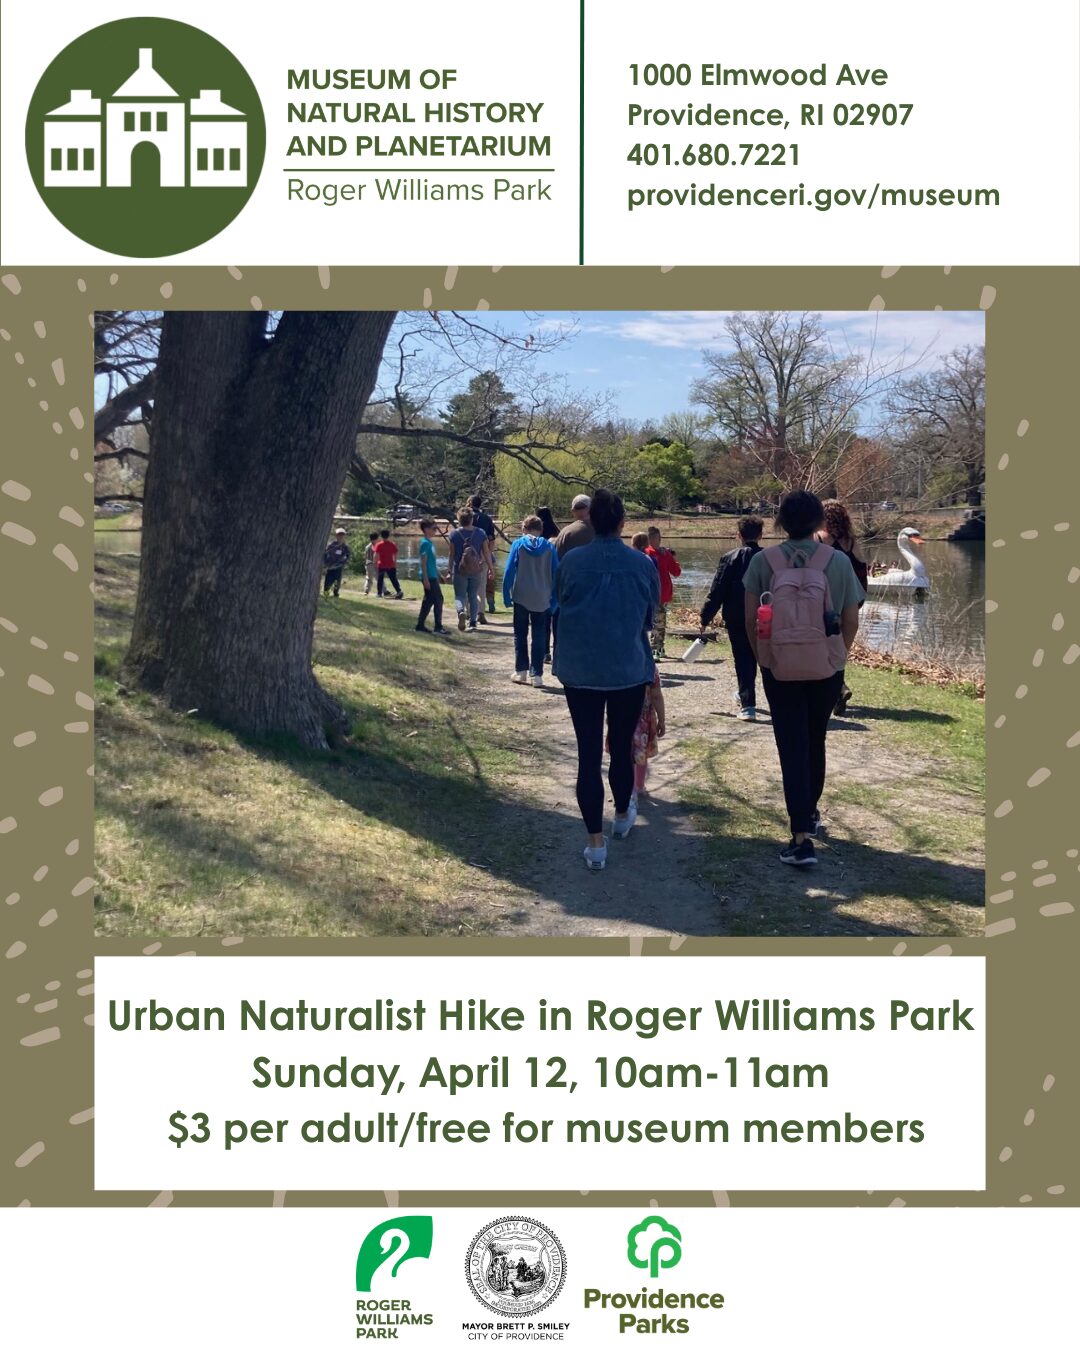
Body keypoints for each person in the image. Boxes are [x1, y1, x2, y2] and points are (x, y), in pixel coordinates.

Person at [743, 491, 864, 867]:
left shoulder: (763, 561)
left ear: (780, 522)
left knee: (791, 744)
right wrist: (837, 656)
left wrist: (764, 659)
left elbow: (750, 619)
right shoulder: (837, 561)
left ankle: (799, 839)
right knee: (815, 738)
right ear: (819, 522)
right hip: (826, 667)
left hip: (779, 666)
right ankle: (809, 814)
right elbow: (851, 620)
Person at [554, 488, 659, 871]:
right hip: (627, 667)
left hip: (580, 668)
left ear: (590, 520)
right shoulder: (642, 564)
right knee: (620, 744)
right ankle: (622, 814)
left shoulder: (571, 561)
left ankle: (595, 844)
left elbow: (560, 602)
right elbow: (649, 616)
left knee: (587, 754)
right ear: (622, 523)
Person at [699, 515, 764, 720]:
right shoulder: (769, 558)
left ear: (739, 535)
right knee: (766, 658)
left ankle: (748, 705)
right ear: (761, 535)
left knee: (743, 658)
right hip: (765, 616)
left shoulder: (730, 558)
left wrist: (705, 616)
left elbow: (718, 590)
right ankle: (776, 701)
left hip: (737, 616)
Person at [817, 499, 869, 716]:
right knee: (838, 647)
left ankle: (837, 689)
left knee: (823, 646)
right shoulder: (851, 542)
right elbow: (863, 569)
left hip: (826, 600)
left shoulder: (820, 538)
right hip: (850, 599)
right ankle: (838, 693)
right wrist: (858, 599)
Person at [502, 515, 558, 687]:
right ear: (541, 529)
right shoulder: (549, 547)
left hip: (521, 595)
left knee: (520, 633)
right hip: (542, 597)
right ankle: (537, 675)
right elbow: (557, 574)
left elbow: (509, 570)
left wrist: (506, 595)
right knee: (539, 635)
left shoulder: (518, 545)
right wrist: (555, 600)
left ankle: (521, 671)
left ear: (524, 529)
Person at [448, 508, 489, 631]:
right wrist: (491, 569)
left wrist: (449, 570)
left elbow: (451, 554)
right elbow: (486, 552)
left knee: (460, 596)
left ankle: (461, 611)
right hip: (476, 570)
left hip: (459, 570)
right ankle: (473, 623)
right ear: (472, 519)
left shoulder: (454, 534)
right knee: (473, 596)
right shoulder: (481, 533)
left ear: (459, 519)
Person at [644, 526, 682, 658]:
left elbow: (676, 572)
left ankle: (657, 648)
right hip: (658, 593)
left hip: (657, 593)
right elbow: (677, 572)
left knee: (658, 621)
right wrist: (673, 559)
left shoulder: (647, 553)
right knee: (659, 621)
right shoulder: (659, 554)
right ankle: (657, 648)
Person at [630, 669, 666, 796]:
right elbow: (656, 696)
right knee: (641, 753)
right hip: (643, 719)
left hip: (621, 715)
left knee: (623, 753)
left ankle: (627, 787)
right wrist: (661, 720)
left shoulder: (620, 664)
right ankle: (639, 786)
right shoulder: (649, 668)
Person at [415, 518, 450, 635]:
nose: (435, 530)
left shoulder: (430, 543)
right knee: (438, 599)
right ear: (426, 529)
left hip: (433, 575)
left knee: (429, 600)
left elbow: (432, 563)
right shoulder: (424, 543)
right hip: (428, 577)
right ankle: (438, 627)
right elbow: (423, 562)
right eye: (433, 528)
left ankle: (420, 625)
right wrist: (425, 579)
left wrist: (440, 575)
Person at [469, 494, 498, 618]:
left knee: (468, 584)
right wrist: (488, 555)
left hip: (468, 553)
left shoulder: (466, 517)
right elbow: (492, 540)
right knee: (482, 584)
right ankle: (481, 611)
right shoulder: (486, 519)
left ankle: (469, 611)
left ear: (470, 503)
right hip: (483, 551)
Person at [555, 493, 595, 559]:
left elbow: (557, 559)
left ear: (573, 511)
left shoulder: (565, 533)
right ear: (592, 508)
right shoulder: (604, 530)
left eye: (582, 507)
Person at [374, 529, 404, 599]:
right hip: (391, 564)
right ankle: (399, 591)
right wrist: (395, 562)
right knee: (393, 579)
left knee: (380, 579)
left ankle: (379, 593)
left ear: (381, 536)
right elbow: (395, 553)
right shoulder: (392, 544)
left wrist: (375, 562)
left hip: (382, 564)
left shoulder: (379, 545)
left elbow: (376, 555)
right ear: (388, 536)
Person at [322, 527, 350, 597]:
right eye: (339, 535)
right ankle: (326, 592)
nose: (341, 536)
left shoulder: (345, 547)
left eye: (342, 535)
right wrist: (326, 563)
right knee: (328, 580)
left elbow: (347, 556)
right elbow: (326, 554)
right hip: (330, 566)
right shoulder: (331, 545)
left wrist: (344, 561)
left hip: (339, 566)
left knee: (337, 580)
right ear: (336, 536)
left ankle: (336, 593)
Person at [362, 531, 379, 595]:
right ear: (376, 538)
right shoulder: (376, 546)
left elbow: (365, 556)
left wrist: (365, 563)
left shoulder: (367, 546)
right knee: (379, 578)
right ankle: (384, 590)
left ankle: (366, 590)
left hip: (368, 564)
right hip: (374, 564)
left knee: (369, 579)